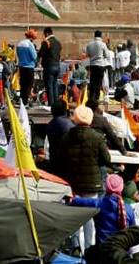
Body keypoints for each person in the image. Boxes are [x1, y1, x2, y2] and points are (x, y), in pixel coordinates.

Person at [55, 105, 111, 248]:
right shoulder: (97, 137)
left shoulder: (67, 137)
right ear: (90, 119)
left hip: (72, 184)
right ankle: (89, 249)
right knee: (89, 219)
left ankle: (76, 249)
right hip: (92, 185)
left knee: (75, 218)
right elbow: (106, 159)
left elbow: (59, 159)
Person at [69, 174, 135, 244]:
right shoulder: (128, 209)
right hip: (122, 250)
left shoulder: (99, 203)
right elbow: (133, 231)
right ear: (121, 188)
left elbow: (77, 201)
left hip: (102, 249)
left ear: (106, 187)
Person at [39, 27, 62, 106]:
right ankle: (56, 104)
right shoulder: (58, 42)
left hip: (49, 66)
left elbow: (40, 54)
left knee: (49, 86)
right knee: (55, 85)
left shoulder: (46, 42)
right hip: (57, 65)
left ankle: (51, 104)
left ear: (46, 33)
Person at [16, 30, 38, 105]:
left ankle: (22, 100)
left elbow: (18, 54)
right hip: (29, 67)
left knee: (23, 84)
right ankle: (25, 101)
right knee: (29, 84)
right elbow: (34, 56)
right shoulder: (30, 44)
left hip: (21, 67)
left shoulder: (19, 43)